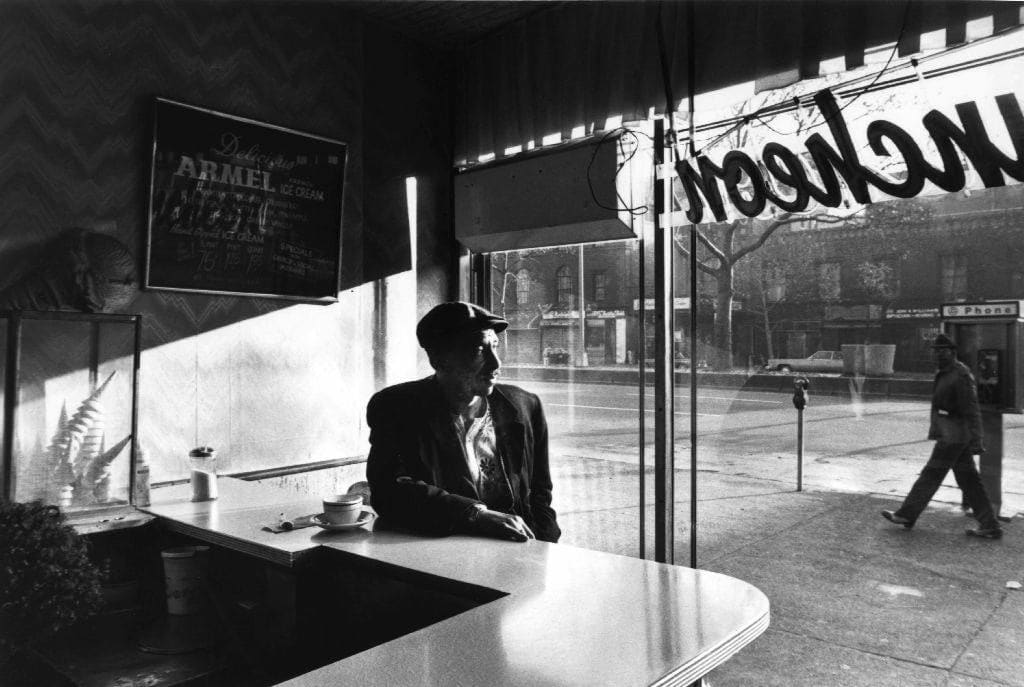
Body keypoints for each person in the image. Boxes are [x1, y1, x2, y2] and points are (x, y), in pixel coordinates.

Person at [366, 301, 561, 543]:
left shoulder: (525, 407)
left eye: (495, 347)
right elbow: (388, 492)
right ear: (438, 359)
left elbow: (540, 493)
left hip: (521, 551)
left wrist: (544, 543)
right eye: (479, 350)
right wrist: (476, 515)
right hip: (444, 554)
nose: (496, 364)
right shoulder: (398, 408)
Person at [881, 333, 1002, 539]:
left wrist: (977, 438)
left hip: (954, 436)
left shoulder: (960, 375)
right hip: (952, 435)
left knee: (931, 475)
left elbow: (971, 409)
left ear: (952, 352)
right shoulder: (945, 372)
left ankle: (906, 514)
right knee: (970, 481)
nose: (937, 355)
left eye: (942, 351)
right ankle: (990, 524)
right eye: (935, 351)